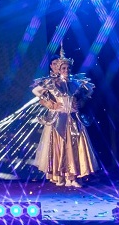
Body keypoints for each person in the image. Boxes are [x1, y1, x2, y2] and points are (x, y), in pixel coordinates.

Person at [32, 45, 99, 187]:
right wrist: (50, 103)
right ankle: (60, 176)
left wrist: (81, 101)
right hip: (59, 118)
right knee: (60, 147)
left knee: (73, 147)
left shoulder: (75, 82)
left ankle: (72, 177)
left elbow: (90, 90)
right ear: (59, 69)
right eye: (63, 68)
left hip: (73, 117)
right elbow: (36, 91)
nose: (66, 70)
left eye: (68, 68)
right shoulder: (53, 82)